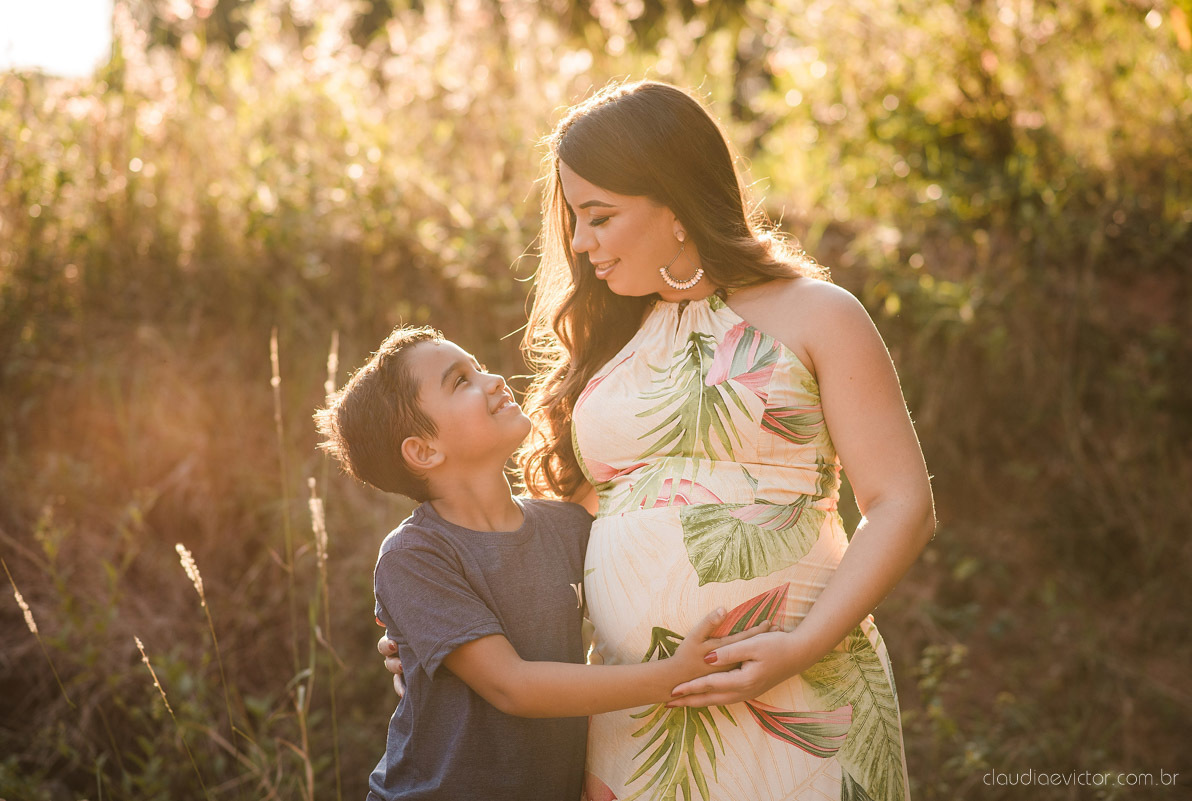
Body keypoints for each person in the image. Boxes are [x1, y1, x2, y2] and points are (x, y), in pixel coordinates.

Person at [382, 80, 934, 799]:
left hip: (804, 691)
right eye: (575, 220)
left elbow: (901, 504)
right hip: (635, 720)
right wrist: (447, 623)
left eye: (599, 216)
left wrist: (801, 645)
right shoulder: (605, 349)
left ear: (673, 204)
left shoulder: (818, 314)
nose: (581, 242)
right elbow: (561, 539)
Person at [314, 325, 767, 801]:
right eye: (460, 382)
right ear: (423, 451)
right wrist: (670, 677)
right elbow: (514, 687)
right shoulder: (414, 556)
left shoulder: (568, 527)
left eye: (479, 367)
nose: (492, 380)